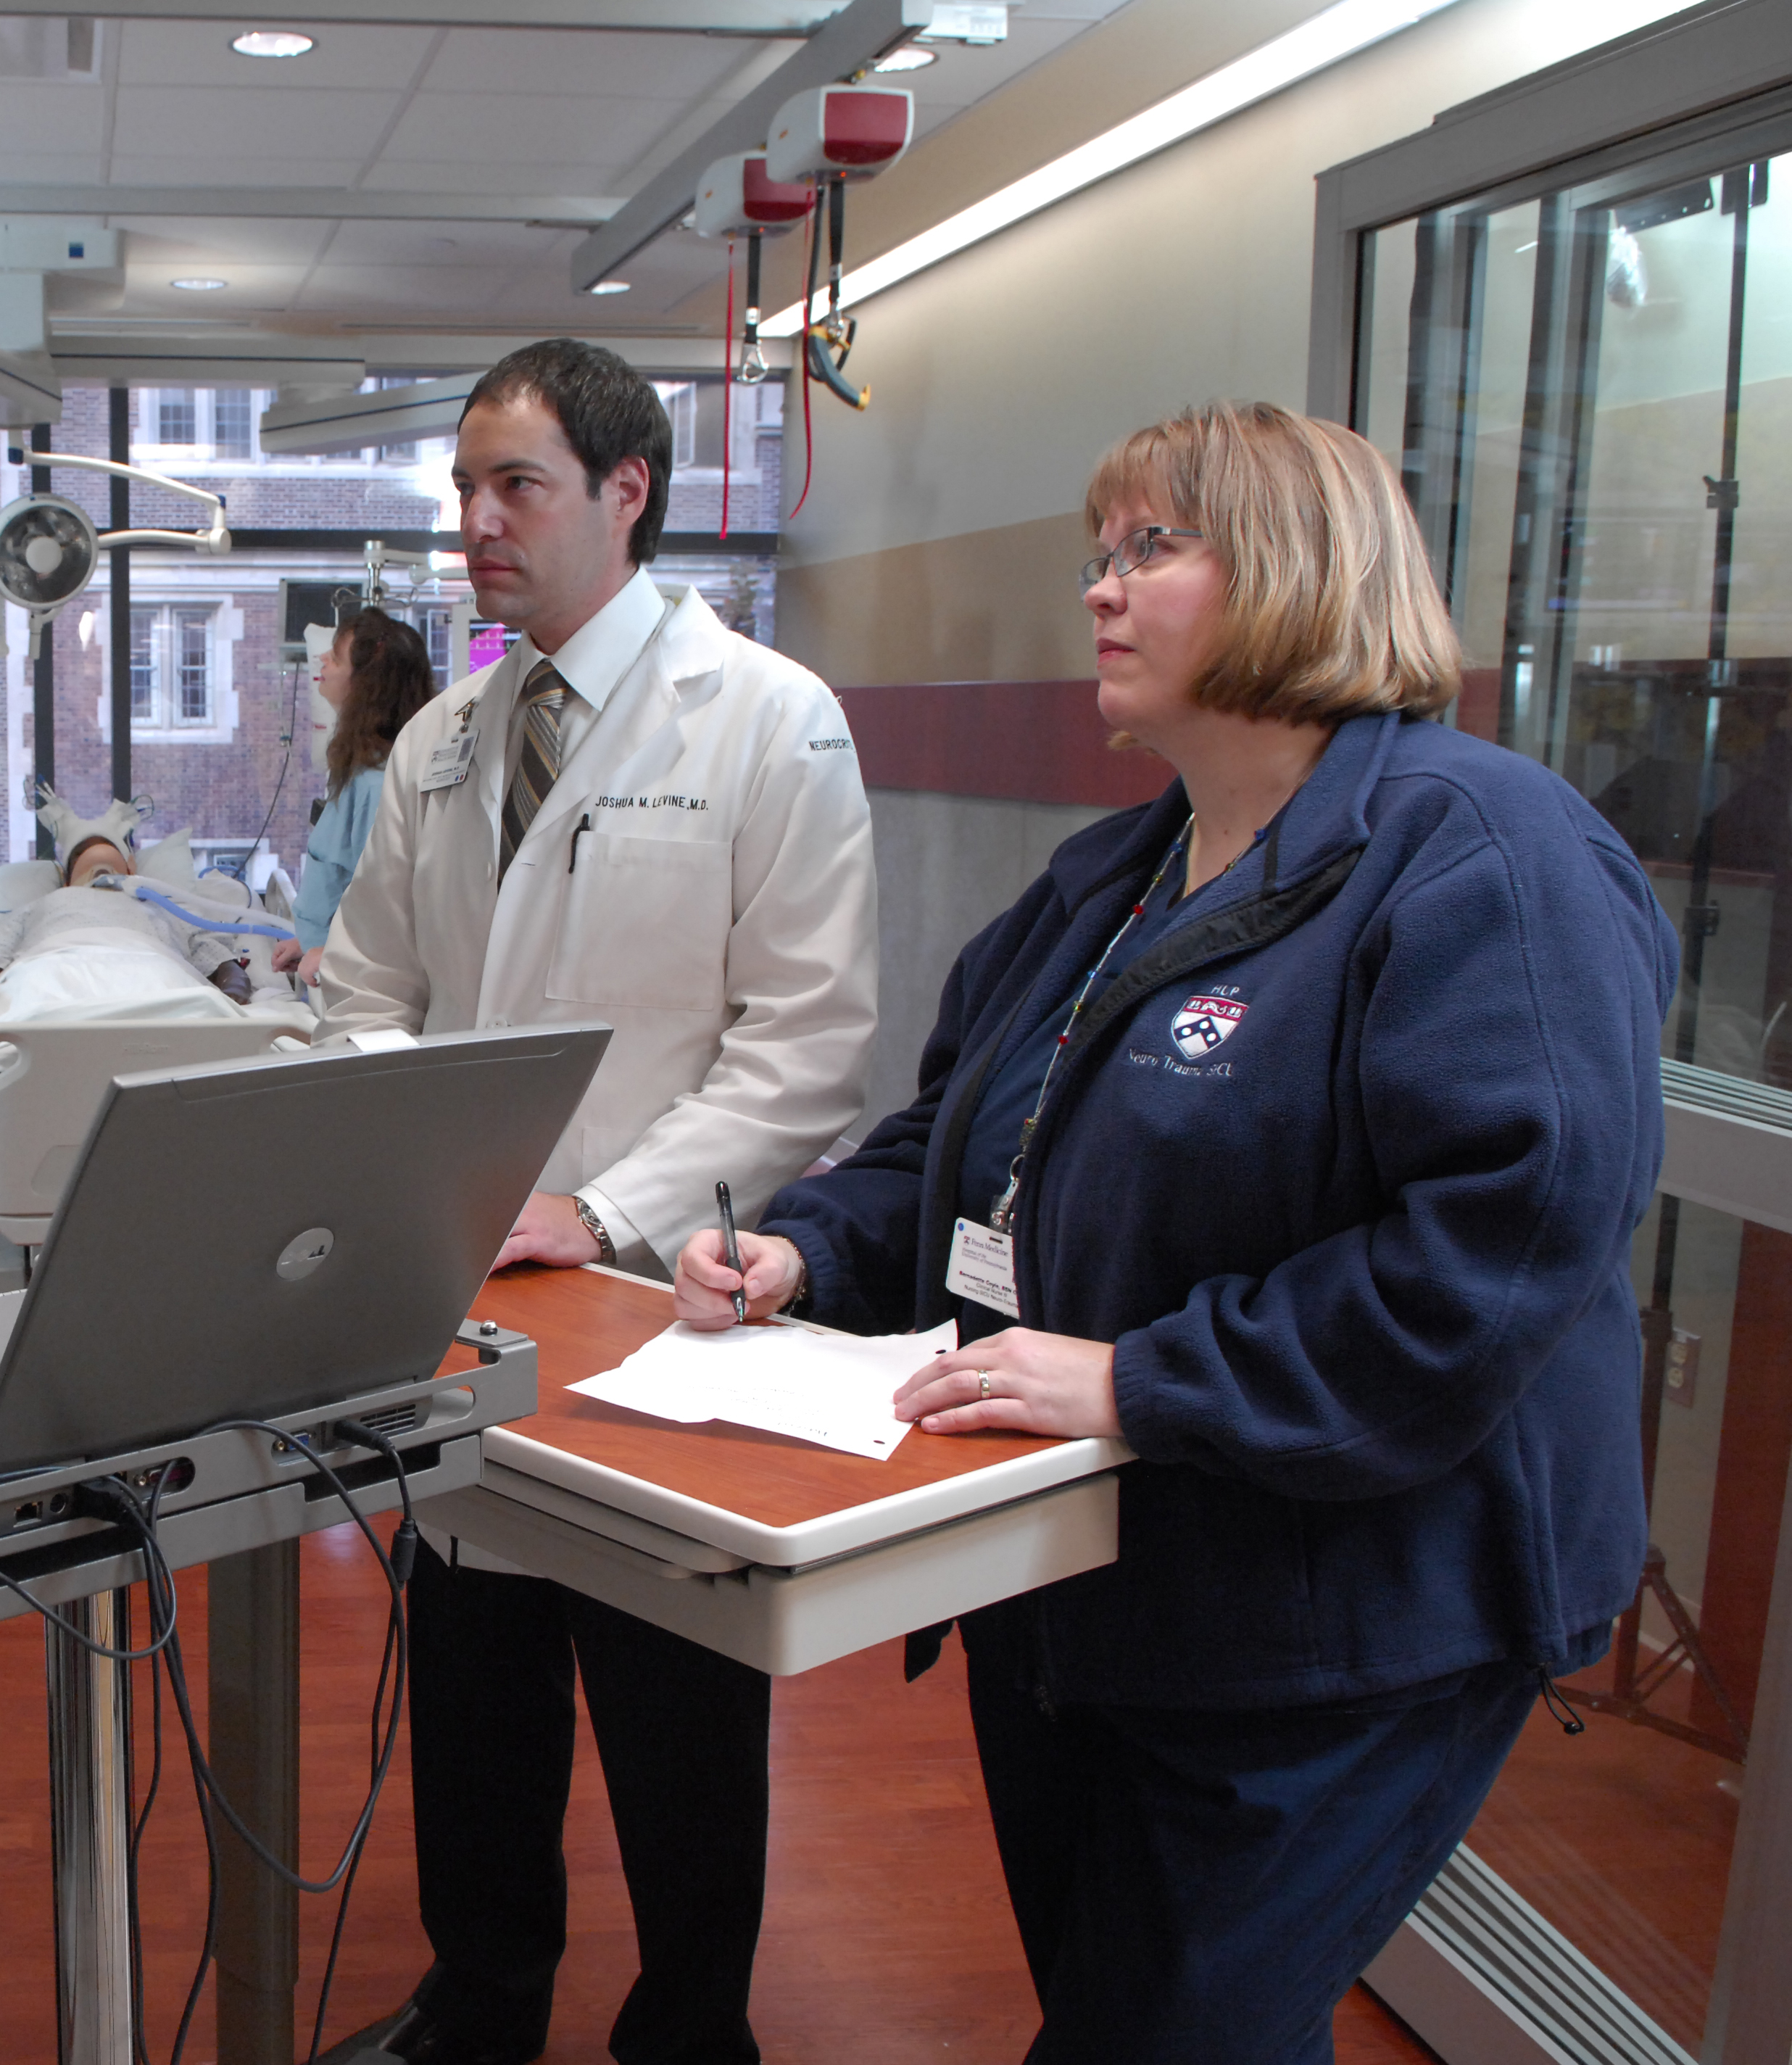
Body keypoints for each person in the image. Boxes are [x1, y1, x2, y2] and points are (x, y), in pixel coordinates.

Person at [676, 402, 1676, 2065]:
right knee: (1135, 2006)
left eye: (1151, 548)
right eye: (1100, 552)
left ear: (1297, 565)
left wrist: (1144, 1377)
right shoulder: (1111, 873)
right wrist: (808, 1248)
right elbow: (962, 1141)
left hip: (1340, 1613)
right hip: (1084, 1578)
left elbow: (1501, 1240)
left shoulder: (1477, 851)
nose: (1100, 589)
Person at [321, 338, 877, 2065]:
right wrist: (432, 1180)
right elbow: (360, 995)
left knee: (678, 1711)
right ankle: (479, 2002)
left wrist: (598, 1206)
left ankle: (692, 2029)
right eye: (466, 489)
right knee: (475, 1695)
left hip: (662, 1302)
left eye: (519, 486)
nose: (477, 522)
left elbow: (810, 1039)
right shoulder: (439, 741)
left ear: (627, 493)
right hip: (465, 1301)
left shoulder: (767, 718)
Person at [273, 608, 434, 989]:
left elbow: (386, 906)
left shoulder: (380, 784)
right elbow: (342, 878)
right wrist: (311, 941)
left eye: (336, 657)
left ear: (367, 683)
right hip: (329, 967)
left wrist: (331, 952)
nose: (322, 662)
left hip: (358, 979)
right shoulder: (361, 769)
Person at [0, 834, 254, 1017]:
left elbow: (217, 955)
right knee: (28, 999)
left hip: (153, 967)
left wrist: (233, 987)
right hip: (49, 968)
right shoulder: (44, 904)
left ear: (130, 872)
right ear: (66, 882)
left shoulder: (162, 904)